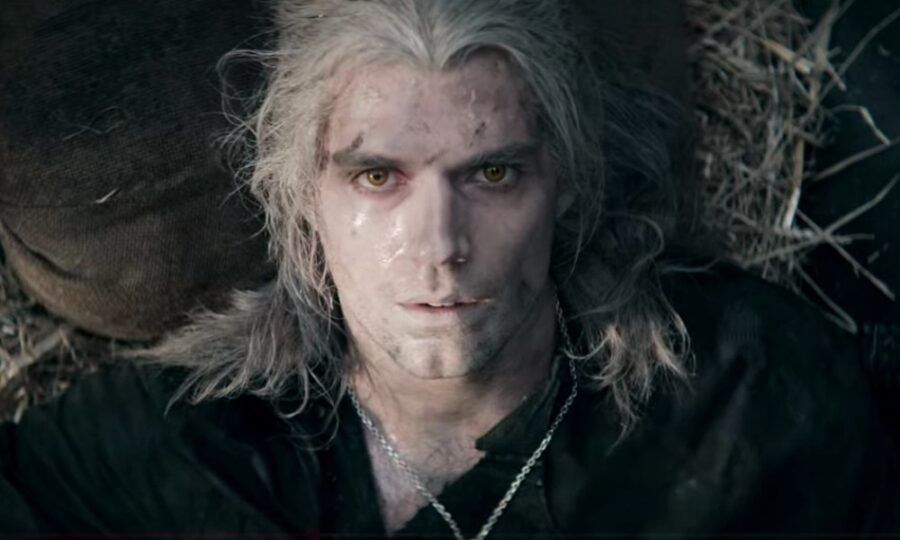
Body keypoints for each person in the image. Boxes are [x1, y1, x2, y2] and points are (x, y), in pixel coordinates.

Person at [1, 0, 896, 537]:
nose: (439, 245)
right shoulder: (196, 441)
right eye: (377, 176)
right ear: (304, 204)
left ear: (566, 186)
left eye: (492, 174)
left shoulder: (743, 395)